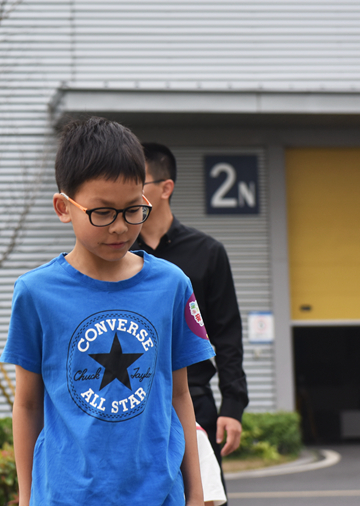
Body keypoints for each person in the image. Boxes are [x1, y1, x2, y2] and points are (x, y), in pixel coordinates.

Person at [2, 117, 216, 506]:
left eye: (132, 210)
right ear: (64, 207)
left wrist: (196, 494)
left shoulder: (172, 285)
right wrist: (27, 497)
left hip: (158, 496)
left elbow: (180, 395)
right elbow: (28, 404)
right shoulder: (35, 293)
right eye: (102, 212)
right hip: (64, 497)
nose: (119, 227)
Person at [134, 142, 249, 497]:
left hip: (194, 400)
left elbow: (226, 334)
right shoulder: (116, 254)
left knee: (204, 495)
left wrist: (233, 405)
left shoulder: (207, 253)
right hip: (132, 400)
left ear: (165, 188)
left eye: (139, 183)